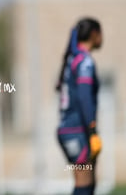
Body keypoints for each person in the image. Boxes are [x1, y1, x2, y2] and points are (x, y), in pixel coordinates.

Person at [56, 18, 103, 195]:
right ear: (94, 34)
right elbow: (84, 96)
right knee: (84, 183)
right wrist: (92, 129)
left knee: (88, 183)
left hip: (69, 129)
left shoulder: (72, 59)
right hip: (77, 130)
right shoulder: (85, 61)